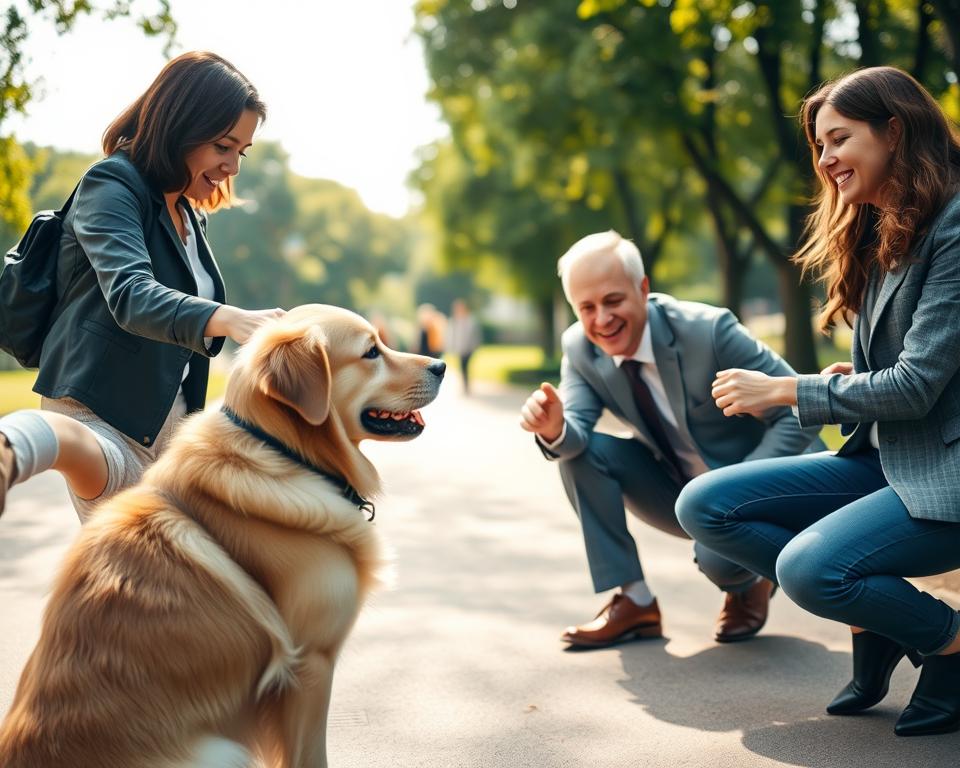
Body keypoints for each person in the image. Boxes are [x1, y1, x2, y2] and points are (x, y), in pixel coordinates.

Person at [676, 66, 960, 737]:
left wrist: (785, 390)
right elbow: (915, 369)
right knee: (706, 505)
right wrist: (855, 376)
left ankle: (947, 641)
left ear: (893, 131)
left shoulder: (953, 229)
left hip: (942, 474)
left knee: (809, 567)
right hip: (888, 457)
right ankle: (876, 619)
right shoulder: (887, 224)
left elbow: (919, 386)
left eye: (839, 139)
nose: (826, 159)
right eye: (819, 146)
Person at [0, 51, 283, 522]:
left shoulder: (191, 215)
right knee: (144, 568)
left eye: (241, 152)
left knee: (168, 583)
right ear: (182, 127)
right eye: (223, 146)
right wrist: (232, 319)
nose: (233, 166)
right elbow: (131, 294)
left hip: (171, 432)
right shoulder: (112, 183)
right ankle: (14, 445)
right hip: (98, 413)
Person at [519, 231, 822, 649]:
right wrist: (553, 429)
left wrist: (732, 490)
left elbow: (801, 409)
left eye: (613, 301)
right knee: (584, 455)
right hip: (678, 488)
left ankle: (747, 580)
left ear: (643, 289)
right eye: (586, 308)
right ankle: (635, 601)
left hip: (768, 483)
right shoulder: (580, 349)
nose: (601, 319)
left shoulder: (711, 331)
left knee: (717, 556)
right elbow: (574, 440)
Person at [447, 299, 482, 394]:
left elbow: (475, 335)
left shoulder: (471, 320)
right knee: (462, 367)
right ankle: (464, 385)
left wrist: (475, 346)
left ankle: (466, 386)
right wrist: (451, 347)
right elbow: (451, 335)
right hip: (460, 348)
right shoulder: (454, 321)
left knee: (466, 366)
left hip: (469, 349)